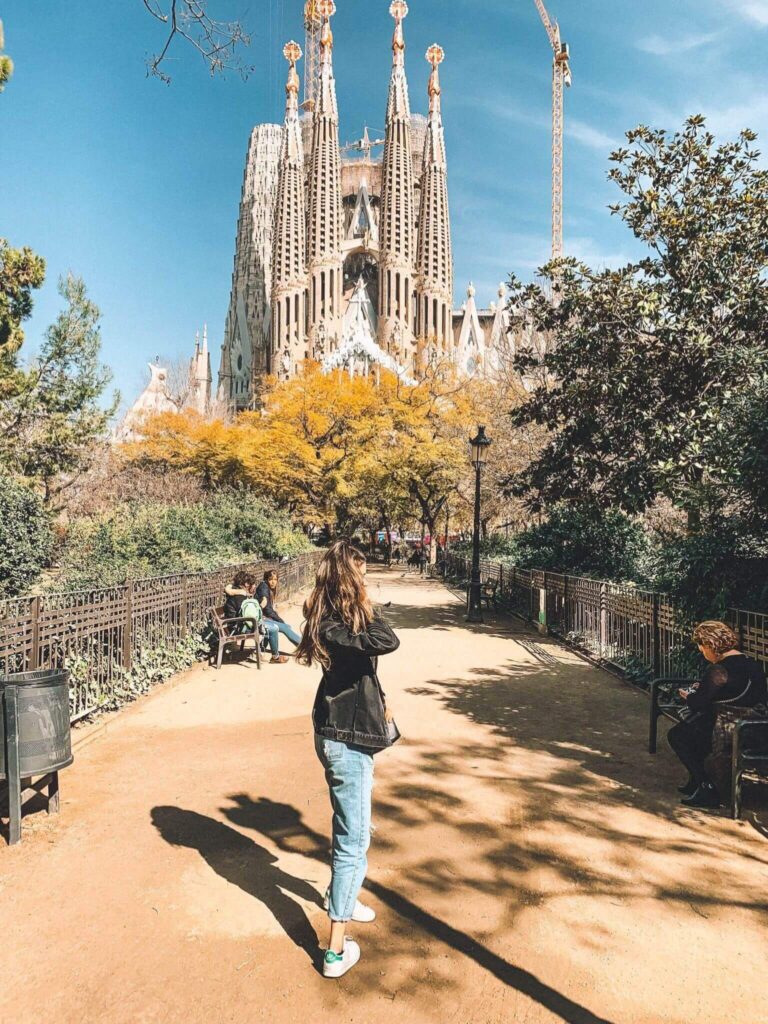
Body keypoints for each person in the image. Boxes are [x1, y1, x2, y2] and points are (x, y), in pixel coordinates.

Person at [296, 540, 400, 979]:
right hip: (344, 738)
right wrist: (364, 599)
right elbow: (387, 639)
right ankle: (335, 951)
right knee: (353, 842)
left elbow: (369, 658)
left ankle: (345, 896)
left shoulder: (333, 618)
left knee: (353, 829)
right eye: (359, 572)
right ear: (346, 577)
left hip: (341, 730)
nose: (365, 579)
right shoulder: (336, 624)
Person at [668, 621, 768, 808]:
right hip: (756, 726)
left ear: (710, 645)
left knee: (678, 735)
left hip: (727, 726)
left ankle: (706, 786)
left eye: (702, 648)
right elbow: (743, 693)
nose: (702, 653)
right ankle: (698, 781)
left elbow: (698, 704)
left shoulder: (719, 670)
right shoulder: (752, 664)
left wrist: (688, 695)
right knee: (694, 733)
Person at [224, 572, 288, 665]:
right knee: (273, 628)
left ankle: (261, 653)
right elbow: (247, 616)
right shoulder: (239, 596)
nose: (254, 586)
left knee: (270, 626)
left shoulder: (238, 592)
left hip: (240, 624)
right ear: (246, 584)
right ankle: (273, 656)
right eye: (253, 584)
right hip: (238, 627)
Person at [256, 570, 302, 655]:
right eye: (270, 579)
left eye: (275, 579)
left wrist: (279, 620)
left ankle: (261, 650)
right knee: (285, 628)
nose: (273, 582)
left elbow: (269, 610)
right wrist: (280, 621)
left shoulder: (265, 587)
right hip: (260, 619)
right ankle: (305, 646)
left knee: (284, 627)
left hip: (262, 618)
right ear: (266, 579)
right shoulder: (264, 588)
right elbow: (267, 609)